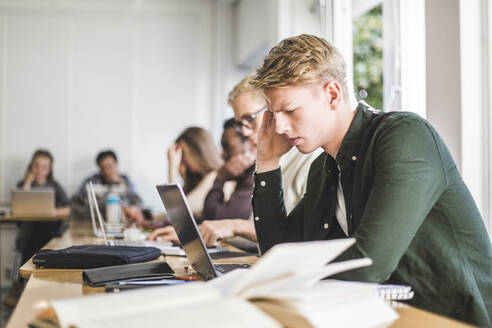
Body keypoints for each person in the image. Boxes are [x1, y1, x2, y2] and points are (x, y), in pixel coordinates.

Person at [249, 34, 492, 326]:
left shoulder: (404, 136)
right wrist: (267, 163)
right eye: (274, 114)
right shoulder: (322, 171)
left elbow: (368, 265)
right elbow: (279, 253)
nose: (280, 126)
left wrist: (286, 273)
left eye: (289, 110)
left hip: (452, 321)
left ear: (332, 94)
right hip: (386, 318)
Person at [198, 75, 322, 247]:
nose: (245, 132)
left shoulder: (312, 160)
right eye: (240, 124)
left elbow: (304, 235)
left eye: (249, 119)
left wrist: (235, 226)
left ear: (273, 107)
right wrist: (200, 235)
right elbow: (262, 233)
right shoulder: (264, 163)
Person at [4, 149, 71, 307]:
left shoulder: (55, 186)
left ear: (49, 170)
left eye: (44, 167)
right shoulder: (23, 184)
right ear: (30, 166)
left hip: (50, 233)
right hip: (28, 234)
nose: (39, 170)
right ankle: (24, 285)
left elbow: (69, 208)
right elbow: (18, 207)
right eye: (36, 166)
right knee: (31, 236)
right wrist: (27, 183)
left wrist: (55, 212)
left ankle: (23, 284)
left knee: (39, 236)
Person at [142, 127, 223, 241]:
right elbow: (173, 213)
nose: (182, 161)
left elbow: (179, 214)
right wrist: (148, 218)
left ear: (198, 150)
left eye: (183, 154)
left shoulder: (214, 176)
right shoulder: (200, 179)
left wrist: (173, 168)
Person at [201, 118, 256, 221]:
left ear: (251, 143)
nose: (222, 155)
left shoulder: (255, 177)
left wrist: (220, 178)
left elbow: (214, 218)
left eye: (227, 147)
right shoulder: (246, 176)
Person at [72, 150, 142, 219]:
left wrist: (120, 183)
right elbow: (76, 203)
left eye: (109, 166)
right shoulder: (91, 181)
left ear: (116, 164)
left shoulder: (126, 180)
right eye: (103, 168)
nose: (107, 172)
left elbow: (137, 203)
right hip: (93, 220)